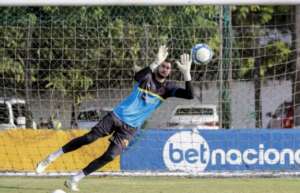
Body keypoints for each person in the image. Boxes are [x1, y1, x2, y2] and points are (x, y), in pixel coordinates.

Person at [35, 45, 194, 191]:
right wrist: (154, 62)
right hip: (117, 116)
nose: (165, 69)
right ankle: (51, 157)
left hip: (130, 129)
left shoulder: (168, 89)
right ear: (159, 66)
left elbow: (190, 95)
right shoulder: (147, 77)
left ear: (170, 71)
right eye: (163, 65)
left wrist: (186, 73)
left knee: (110, 156)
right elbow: (138, 75)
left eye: (168, 67)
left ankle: (75, 179)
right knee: (89, 138)